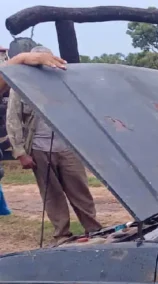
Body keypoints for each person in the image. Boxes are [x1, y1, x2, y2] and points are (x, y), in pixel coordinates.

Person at [6, 46, 100, 243]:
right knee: (52, 195)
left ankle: (94, 229)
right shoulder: (21, 86)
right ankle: (62, 235)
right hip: (39, 149)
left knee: (80, 191)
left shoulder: (64, 82)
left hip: (68, 147)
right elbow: (13, 120)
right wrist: (20, 152)